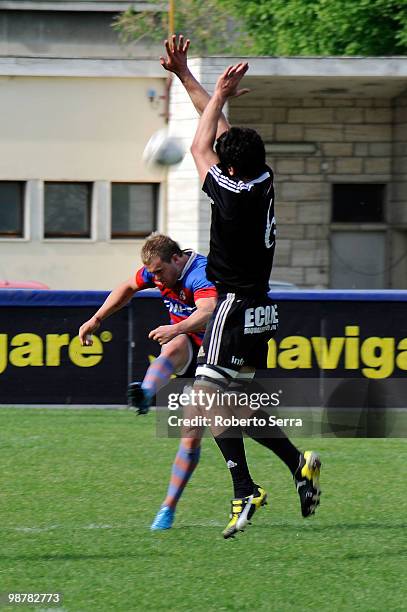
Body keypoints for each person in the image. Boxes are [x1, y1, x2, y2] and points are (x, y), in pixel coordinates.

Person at [163, 35, 321, 538]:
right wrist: (194, 82)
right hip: (262, 309)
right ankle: (297, 464)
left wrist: (218, 96)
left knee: (205, 398)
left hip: (234, 305)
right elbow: (220, 138)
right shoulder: (260, 176)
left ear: (228, 169)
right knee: (232, 408)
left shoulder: (229, 193)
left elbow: (199, 143)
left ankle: (245, 490)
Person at [78, 233, 217, 530]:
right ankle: (144, 393)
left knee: (196, 436)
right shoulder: (158, 274)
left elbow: (209, 311)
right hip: (191, 344)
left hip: (220, 355)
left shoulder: (199, 273)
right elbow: (127, 286)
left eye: (160, 272)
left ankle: (296, 466)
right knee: (174, 346)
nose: (157, 279)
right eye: (152, 273)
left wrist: (175, 327)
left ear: (176, 259)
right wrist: (97, 319)